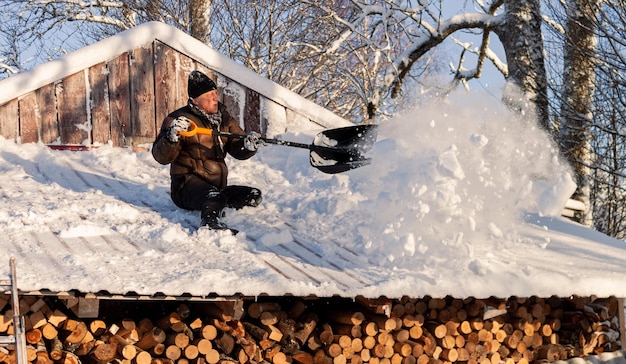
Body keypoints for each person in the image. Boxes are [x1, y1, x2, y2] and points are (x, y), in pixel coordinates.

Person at [152, 70, 263, 233]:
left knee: (252, 195)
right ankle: (210, 224)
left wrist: (248, 146)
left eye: (215, 93)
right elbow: (161, 156)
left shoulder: (223, 118)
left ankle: (215, 204)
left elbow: (237, 147)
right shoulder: (178, 120)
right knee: (214, 196)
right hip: (185, 186)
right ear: (195, 101)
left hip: (215, 186)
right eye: (209, 95)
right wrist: (171, 136)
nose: (215, 98)